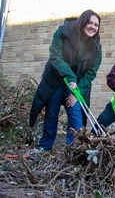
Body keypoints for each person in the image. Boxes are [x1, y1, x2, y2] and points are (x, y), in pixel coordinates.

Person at [29, 10, 102, 151]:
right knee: (52, 111)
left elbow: (91, 73)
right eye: (90, 23)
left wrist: (77, 91)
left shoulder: (97, 48)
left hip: (76, 83)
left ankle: (74, 149)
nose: (93, 27)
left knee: (75, 112)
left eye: (96, 25)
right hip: (57, 77)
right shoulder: (63, 32)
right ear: (82, 22)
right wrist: (70, 76)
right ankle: (44, 147)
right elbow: (55, 55)